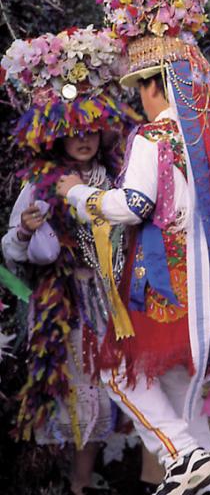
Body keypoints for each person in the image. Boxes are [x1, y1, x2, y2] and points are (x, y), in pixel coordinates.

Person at [56, 0, 210, 494]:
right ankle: (201, 474)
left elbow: (132, 207)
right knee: (179, 394)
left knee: (119, 374)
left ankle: (182, 455)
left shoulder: (153, 138)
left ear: (156, 85)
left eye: (141, 90)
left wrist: (74, 194)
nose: (141, 101)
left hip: (162, 293)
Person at [1, 25, 138, 495]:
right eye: (73, 132)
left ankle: (84, 480)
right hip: (66, 301)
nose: (83, 140)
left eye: (91, 131)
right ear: (56, 136)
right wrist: (25, 231)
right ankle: (64, 482)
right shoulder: (39, 185)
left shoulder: (117, 176)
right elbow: (10, 248)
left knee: (105, 387)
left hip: (111, 295)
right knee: (71, 385)